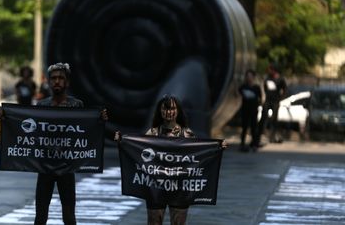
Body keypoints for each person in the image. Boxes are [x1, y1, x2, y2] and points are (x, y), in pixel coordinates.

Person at [115, 95, 227, 225]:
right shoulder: (152, 133)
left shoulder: (187, 134)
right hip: (156, 186)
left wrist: (217, 147)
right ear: (160, 111)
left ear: (177, 110)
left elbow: (200, 153)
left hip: (179, 188)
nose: (168, 112)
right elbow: (137, 148)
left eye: (172, 108)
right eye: (165, 109)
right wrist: (122, 140)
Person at [34, 62, 107, 225]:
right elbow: (31, 132)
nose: (57, 81)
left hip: (67, 167)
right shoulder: (42, 105)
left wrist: (99, 121)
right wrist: (6, 117)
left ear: (67, 82)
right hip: (45, 167)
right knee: (40, 216)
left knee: (69, 216)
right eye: (53, 78)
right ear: (48, 82)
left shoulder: (76, 105)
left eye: (61, 78)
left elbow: (87, 131)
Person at [256, 64, 287, 145]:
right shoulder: (268, 78)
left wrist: (280, 98)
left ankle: (272, 136)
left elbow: (284, 89)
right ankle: (258, 136)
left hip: (275, 101)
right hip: (268, 100)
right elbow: (265, 87)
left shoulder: (280, 79)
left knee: (274, 119)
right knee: (263, 117)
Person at [238, 70, 261, 152]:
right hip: (245, 110)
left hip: (254, 110)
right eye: (247, 76)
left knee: (253, 128)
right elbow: (237, 92)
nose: (249, 78)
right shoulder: (243, 87)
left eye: (250, 76)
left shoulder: (256, 87)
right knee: (244, 127)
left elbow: (260, 98)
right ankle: (242, 144)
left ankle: (254, 144)